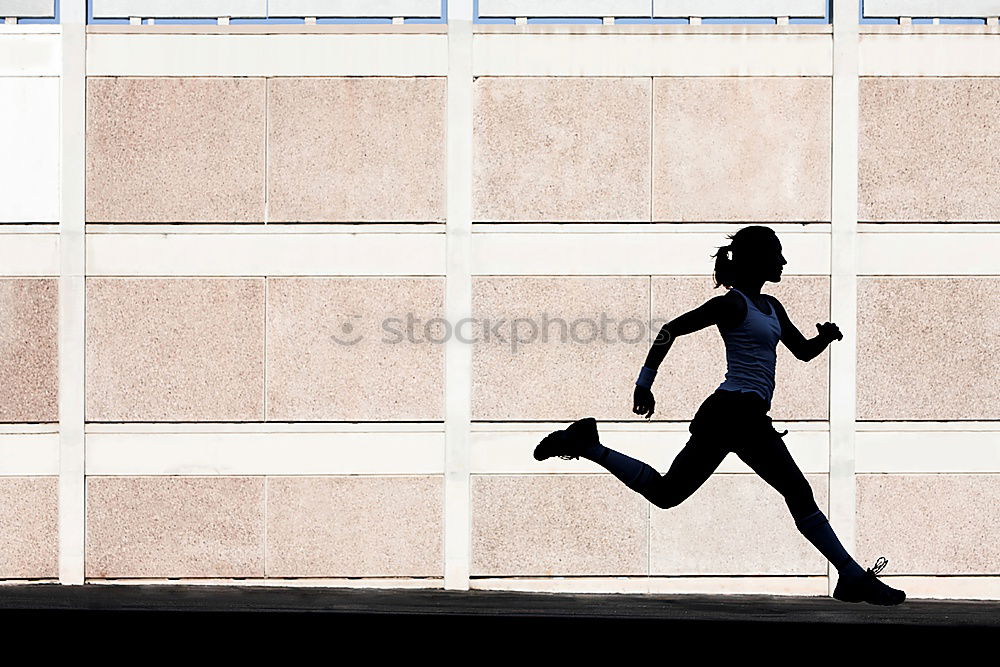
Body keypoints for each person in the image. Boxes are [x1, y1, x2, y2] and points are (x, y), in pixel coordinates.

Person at [534, 225, 905, 606]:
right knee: (796, 491)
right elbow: (669, 330)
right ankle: (851, 576)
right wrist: (644, 383)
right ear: (758, 260)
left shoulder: (773, 307)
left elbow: (802, 352)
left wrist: (825, 338)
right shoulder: (733, 304)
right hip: (736, 412)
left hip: (739, 415)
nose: (783, 261)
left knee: (667, 494)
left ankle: (587, 445)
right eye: (777, 254)